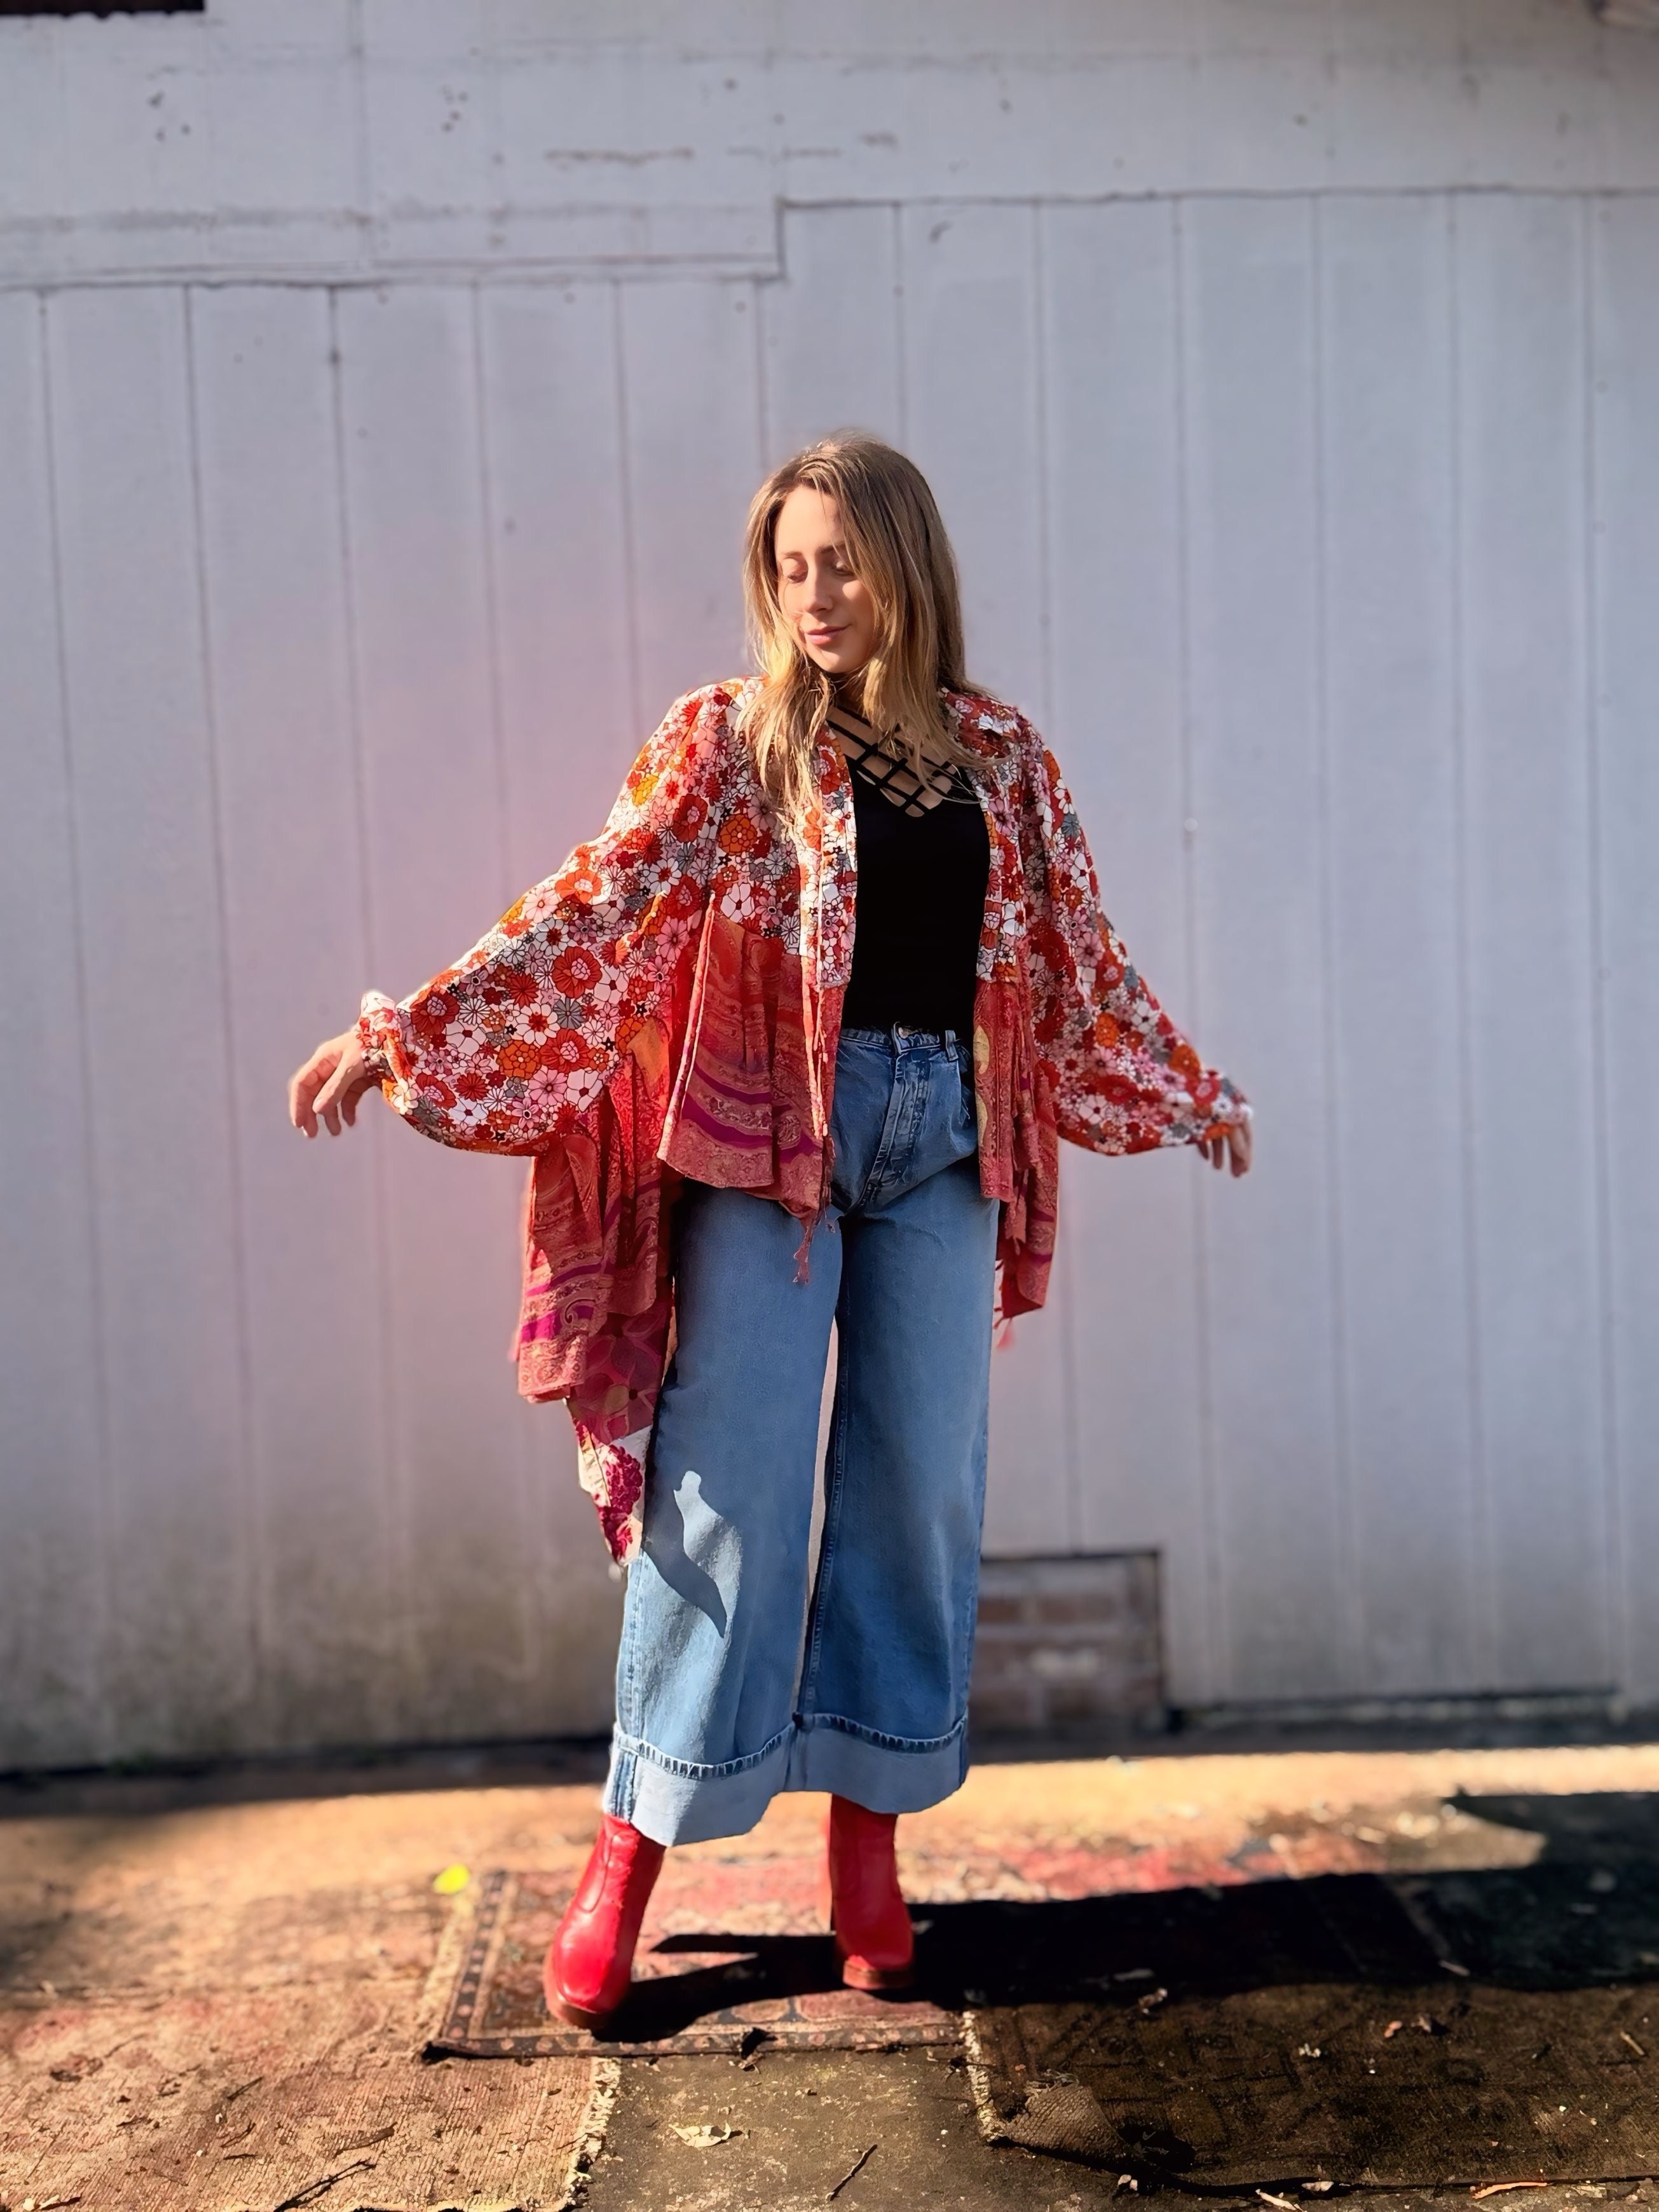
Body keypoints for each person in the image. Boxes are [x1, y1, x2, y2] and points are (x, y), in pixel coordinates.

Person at [287, 433, 1252, 2030]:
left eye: (843, 564)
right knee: (727, 1495)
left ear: (907, 567)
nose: (815, 595)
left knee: (917, 1490)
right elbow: (596, 903)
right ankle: (634, 1850)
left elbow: (1078, 963)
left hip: (946, 1152)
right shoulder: (730, 742)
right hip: (766, 1146)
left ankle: (867, 1845)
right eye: (791, 568)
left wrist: (1187, 1087)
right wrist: (413, 1033)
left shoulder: (1006, 760)